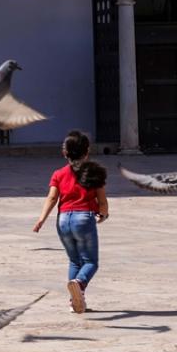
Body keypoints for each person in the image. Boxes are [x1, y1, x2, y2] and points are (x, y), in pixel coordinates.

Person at [33, 130, 109, 314]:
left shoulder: (58, 174)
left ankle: (74, 302)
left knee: (75, 261)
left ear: (65, 152)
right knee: (91, 262)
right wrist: (103, 215)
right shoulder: (94, 172)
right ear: (87, 151)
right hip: (83, 219)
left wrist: (41, 219)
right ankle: (79, 284)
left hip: (63, 220)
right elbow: (102, 200)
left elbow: (52, 198)